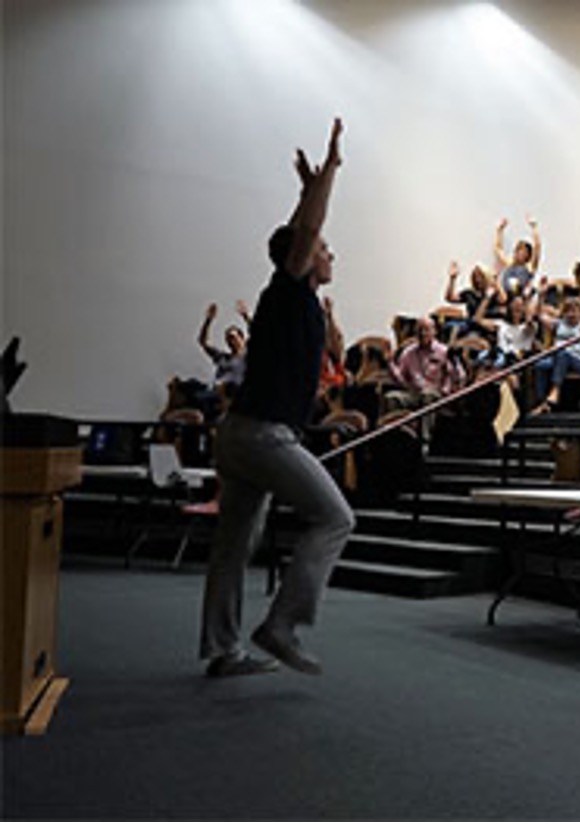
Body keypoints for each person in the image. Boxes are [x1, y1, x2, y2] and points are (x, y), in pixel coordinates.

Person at [200, 118, 354, 678]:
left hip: (240, 435)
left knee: (233, 546)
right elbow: (304, 233)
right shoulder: (289, 290)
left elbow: (296, 233)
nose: (330, 255)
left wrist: (306, 190)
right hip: (264, 436)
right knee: (335, 517)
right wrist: (330, 171)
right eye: (325, 250)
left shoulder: (288, 294)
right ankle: (282, 625)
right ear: (308, 258)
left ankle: (223, 650)